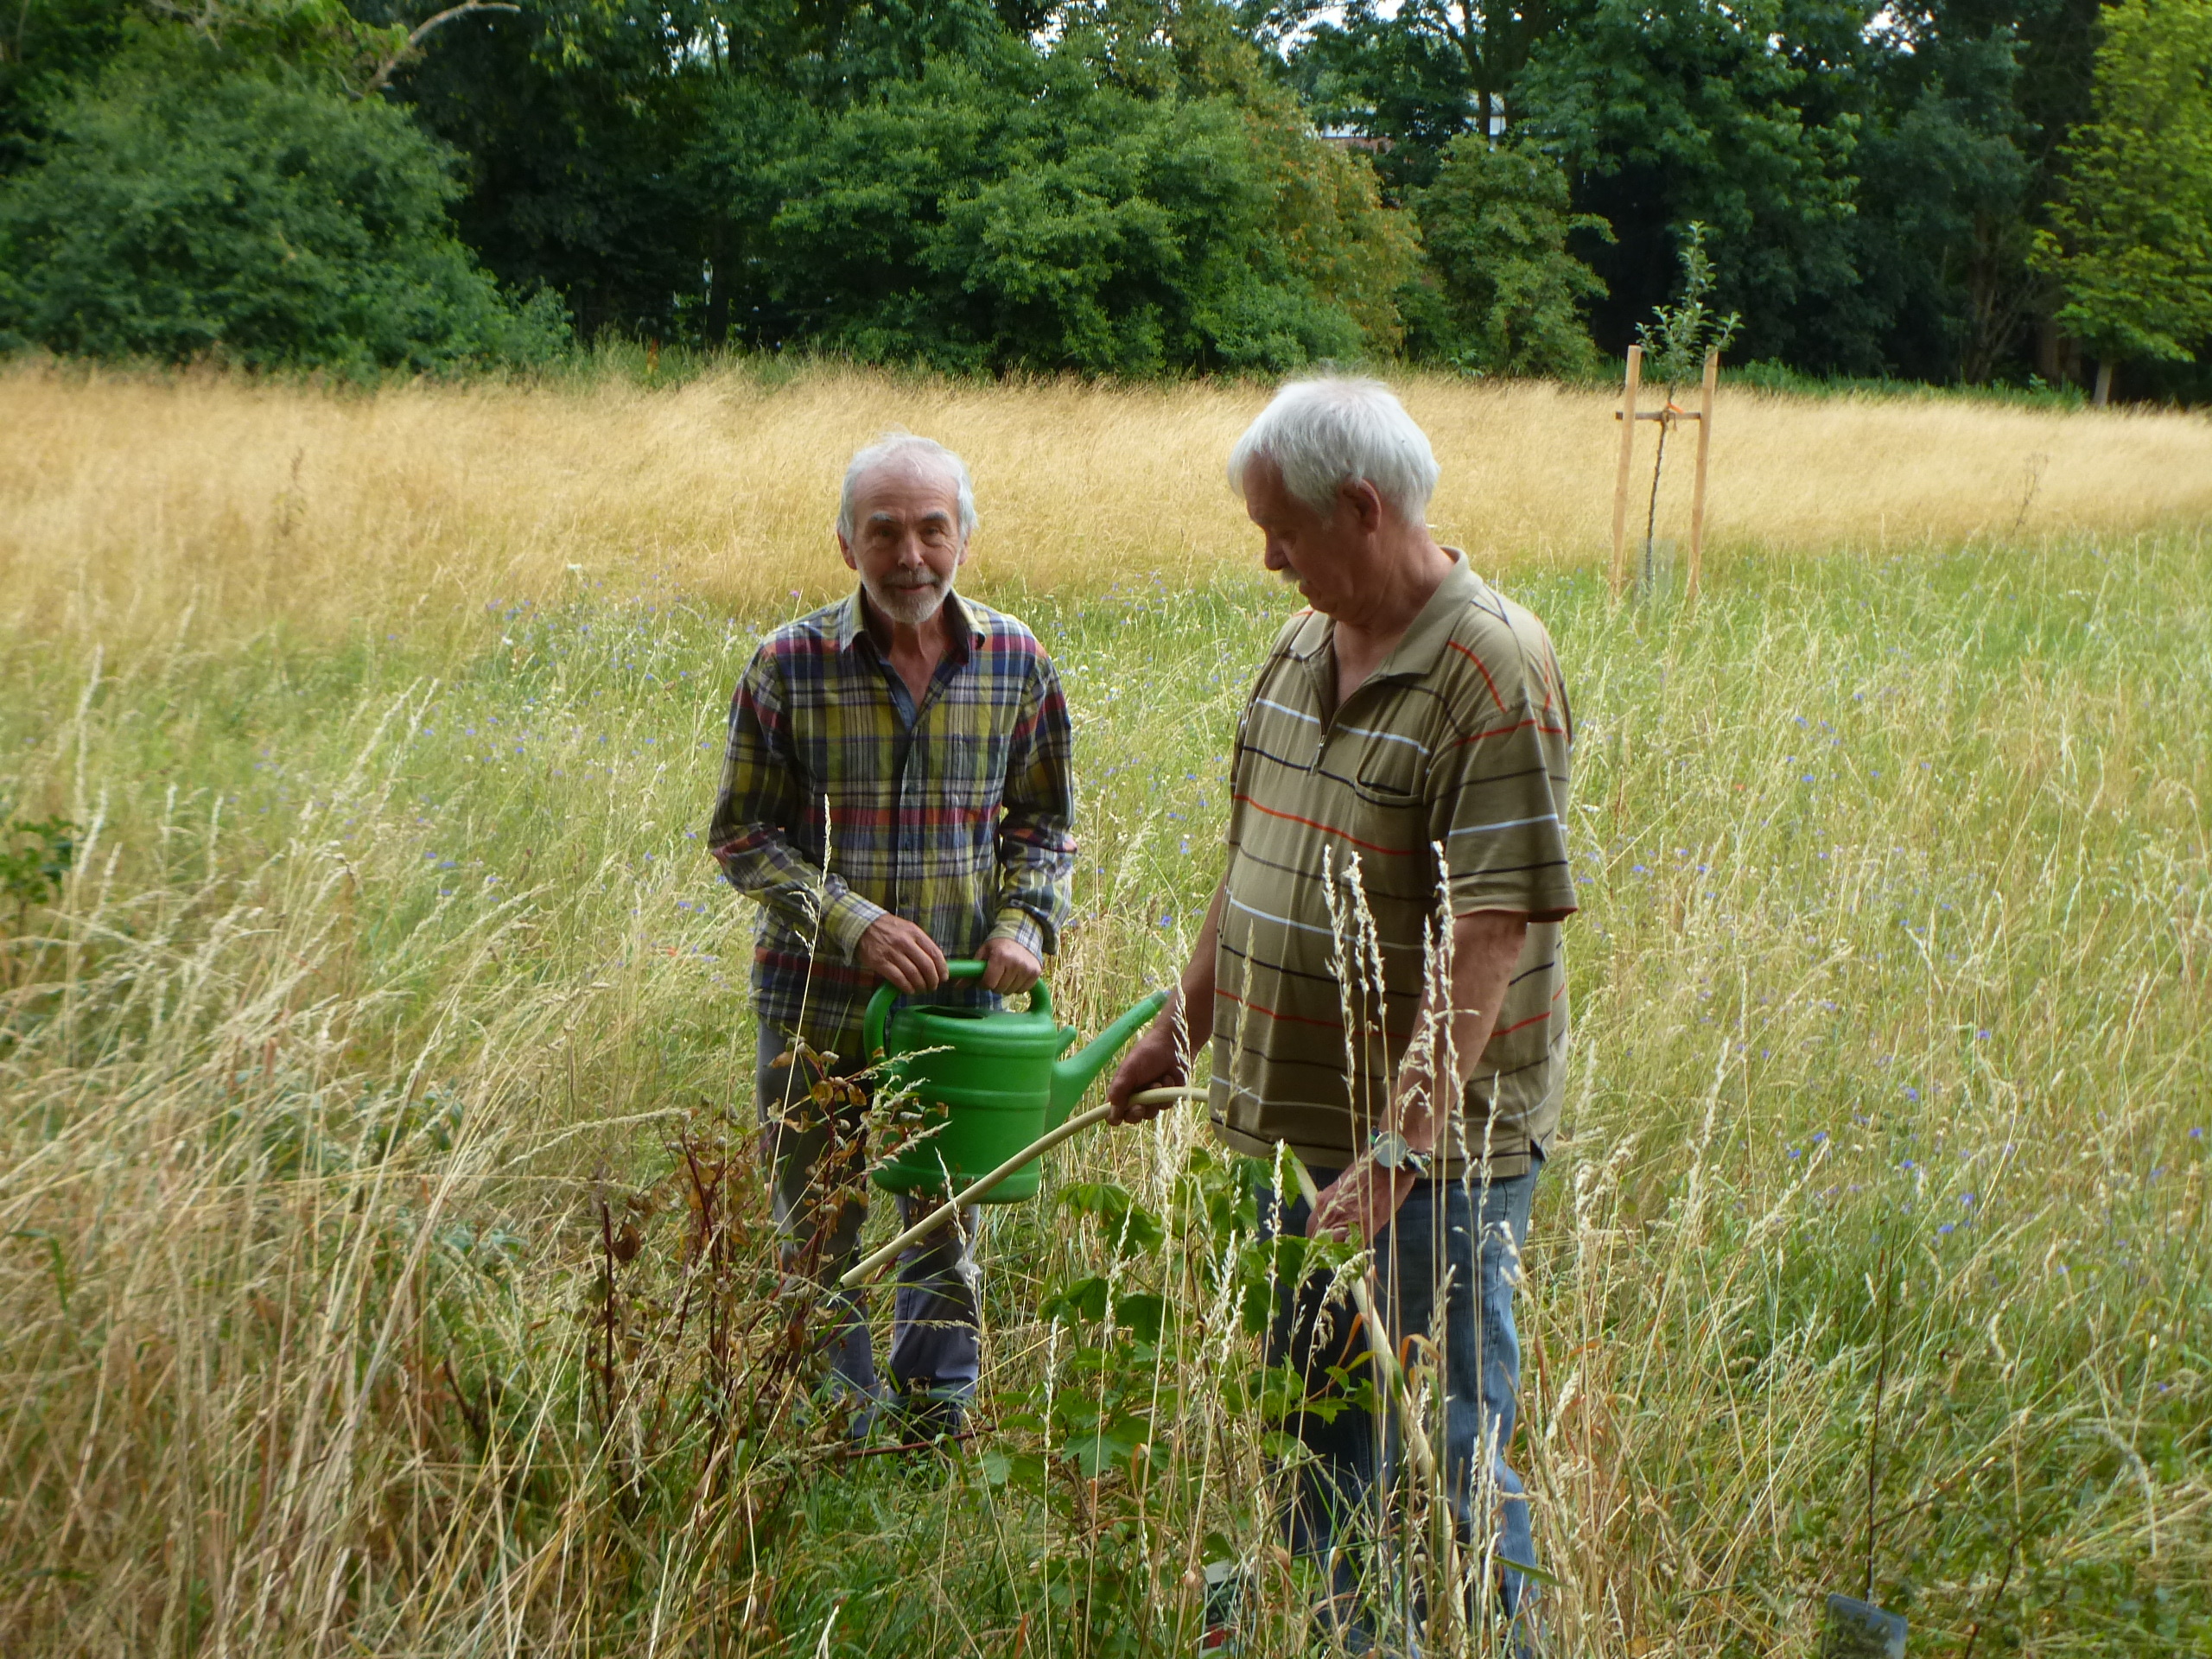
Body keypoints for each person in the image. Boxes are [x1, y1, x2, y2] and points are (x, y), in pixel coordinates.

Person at [1105, 378, 1575, 1644]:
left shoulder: (1494, 667)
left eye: (1284, 531)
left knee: (1444, 1451)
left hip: (1427, 1169)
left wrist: (1402, 1149)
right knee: (1313, 1439)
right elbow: (1248, 860)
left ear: (1363, 508)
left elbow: (1492, 932)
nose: (1268, 559)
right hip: (1283, 1130)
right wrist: (1181, 1028)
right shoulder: (1307, 642)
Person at [709, 431, 1076, 1438]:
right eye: (884, 533)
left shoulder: (1017, 663)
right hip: (812, 1003)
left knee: (944, 1215)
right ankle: (836, 1419)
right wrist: (850, 922)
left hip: (957, 1009)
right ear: (845, 545)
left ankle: (933, 1418)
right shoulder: (787, 665)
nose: (910, 555)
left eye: (931, 530)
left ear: (963, 536)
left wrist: (1023, 923)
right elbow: (741, 835)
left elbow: (1044, 825)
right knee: (819, 1220)